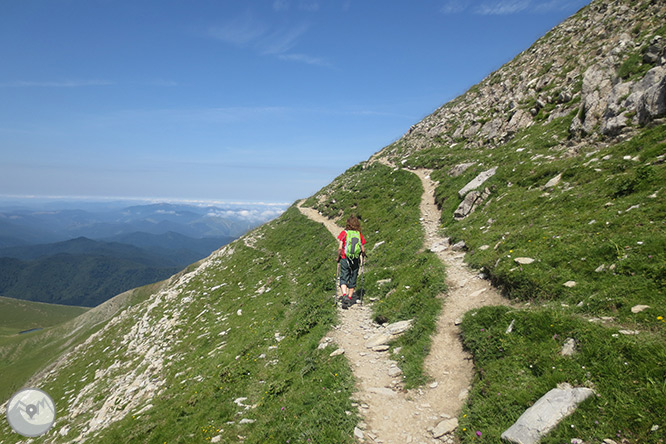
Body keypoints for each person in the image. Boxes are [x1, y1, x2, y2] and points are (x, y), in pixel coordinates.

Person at [336, 216, 367, 309]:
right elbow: (362, 248)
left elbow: (340, 248)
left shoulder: (344, 233)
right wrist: (363, 255)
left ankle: (344, 295)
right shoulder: (358, 234)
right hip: (356, 259)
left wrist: (338, 258)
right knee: (353, 277)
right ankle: (349, 297)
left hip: (345, 259)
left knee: (344, 277)